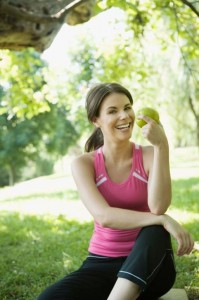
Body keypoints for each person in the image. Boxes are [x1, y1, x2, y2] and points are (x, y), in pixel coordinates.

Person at [37, 82, 194, 300]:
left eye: (127, 107)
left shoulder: (149, 154)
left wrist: (161, 146)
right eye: (113, 111)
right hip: (101, 262)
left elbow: (158, 207)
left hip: (151, 267)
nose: (125, 116)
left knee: (154, 227)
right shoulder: (84, 164)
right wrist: (164, 220)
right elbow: (104, 216)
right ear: (96, 120)